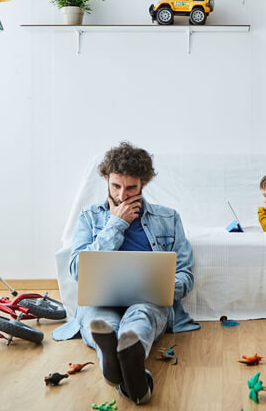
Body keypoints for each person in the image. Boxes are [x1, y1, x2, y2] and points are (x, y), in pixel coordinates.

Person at [51, 141, 199, 405]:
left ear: (143, 183)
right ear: (106, 180)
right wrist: (116, 224)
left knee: (140, 318)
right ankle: (129, 372)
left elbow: (185, 274)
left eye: (131, 187)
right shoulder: (89, 217)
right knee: (101, 323)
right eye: (115, 186)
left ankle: (118, 363)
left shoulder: (168, 218)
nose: (122, 195)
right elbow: (78, 271)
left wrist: (162, 286)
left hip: (147, 300)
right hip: (101, 300)